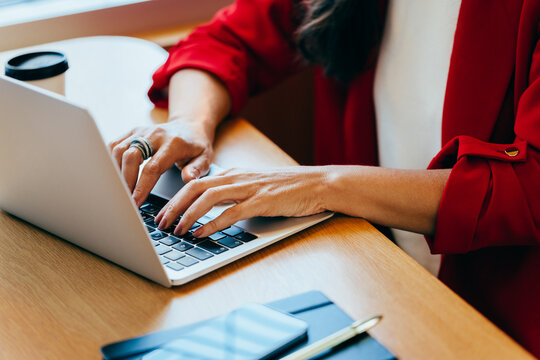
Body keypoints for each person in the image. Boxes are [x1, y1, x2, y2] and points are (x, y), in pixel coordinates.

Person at [109, 0, 540, 355]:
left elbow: (530, 187)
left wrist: (322, 185)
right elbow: (227, 38)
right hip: (370, 277)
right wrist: (190, 122)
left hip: (499, 316)